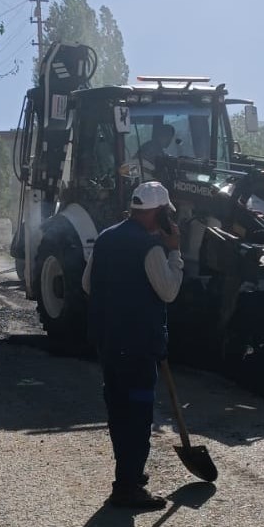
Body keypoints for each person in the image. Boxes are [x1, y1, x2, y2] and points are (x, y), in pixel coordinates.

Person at [81, 181, 184, 510]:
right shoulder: (149, 248)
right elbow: (168, 291)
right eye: (166, 213)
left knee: (118, 411)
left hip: (108, 343)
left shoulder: (107, 237)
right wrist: (176, 252)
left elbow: (87, 284)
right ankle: (127, 488)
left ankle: (129, 475)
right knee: (138, 415)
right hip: (138, 347)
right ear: (156, 213)